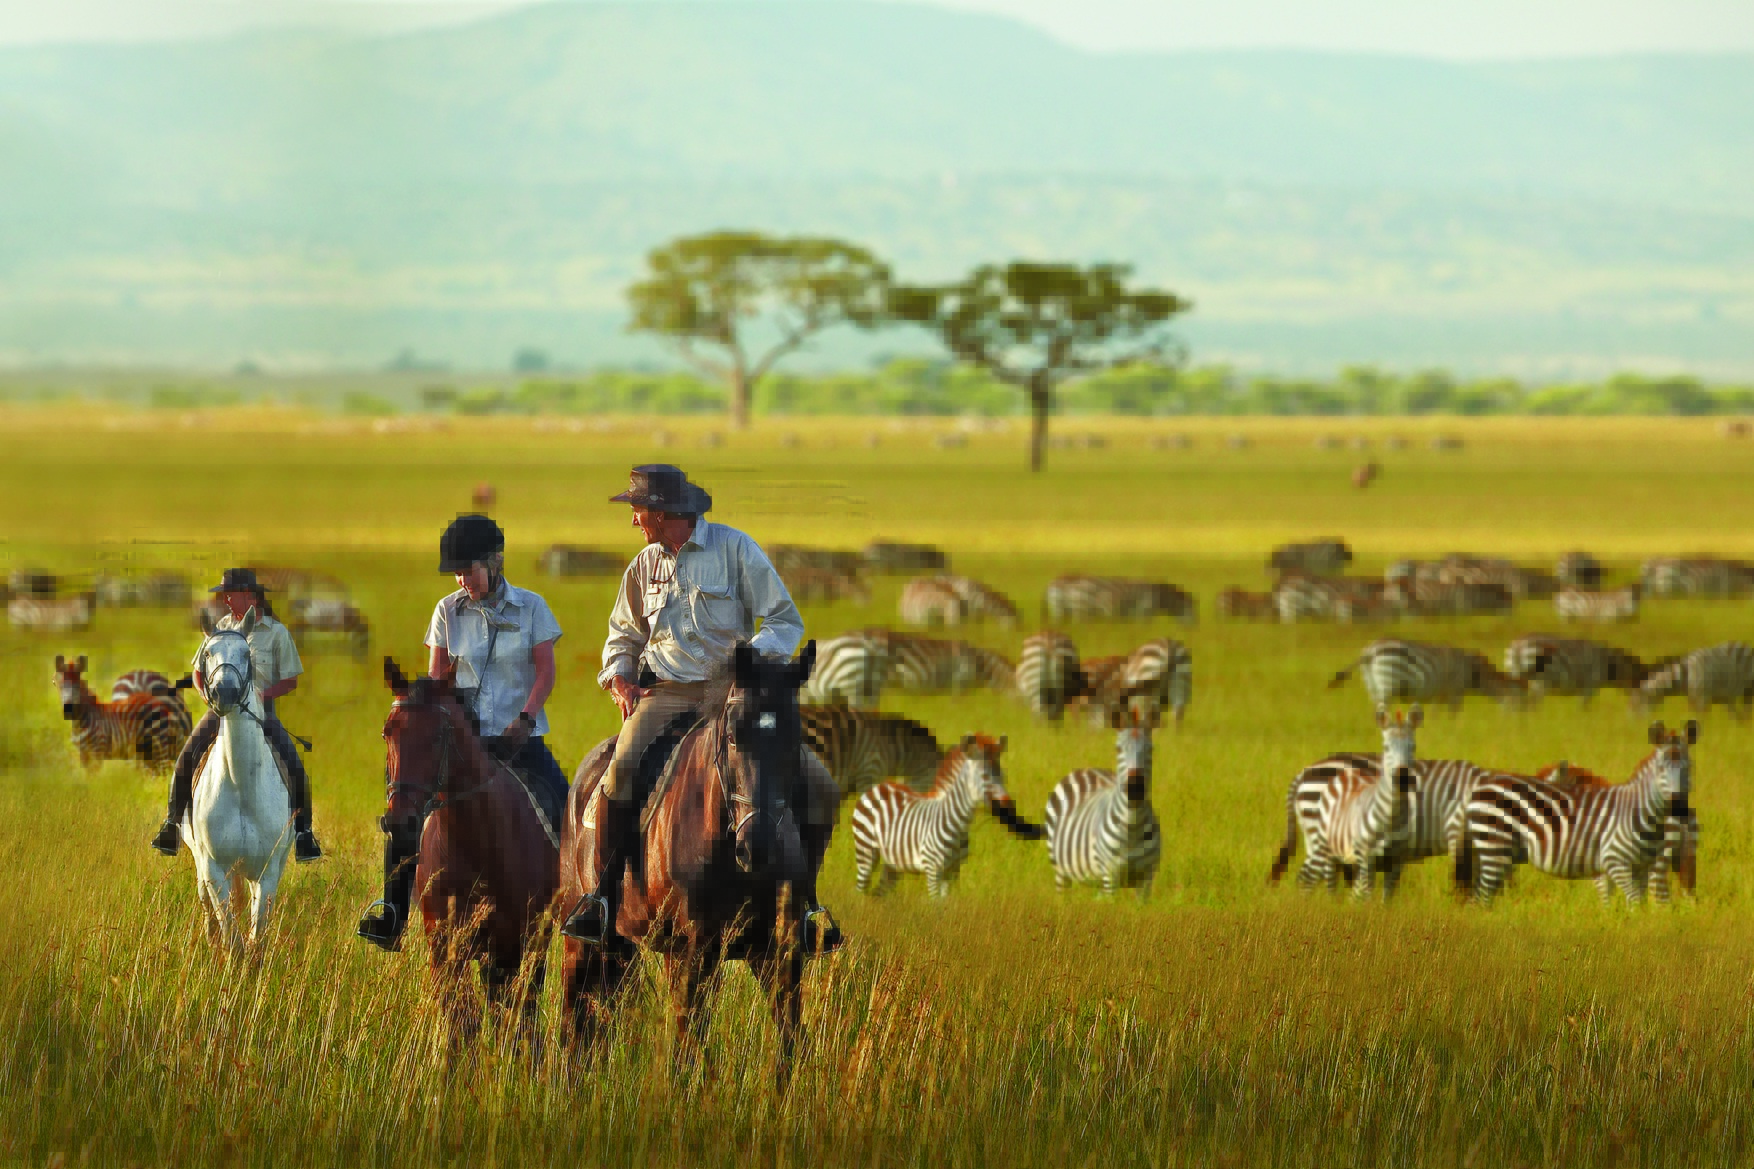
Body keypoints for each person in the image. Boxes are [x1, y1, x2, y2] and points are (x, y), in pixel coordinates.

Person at [562, 464, 843, 952]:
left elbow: (784, 619)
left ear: (665, 512)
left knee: (818, 783)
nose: (633, 521)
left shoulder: (736, 549)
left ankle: (806, 905)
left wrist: (750, 664)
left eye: (638, 509)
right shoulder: (643, 565)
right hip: (667, 692)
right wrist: (620, 678)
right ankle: (601, 901)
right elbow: (622, 635)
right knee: (621, 770)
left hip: (733, 692)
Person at [356, 513, 567, 951]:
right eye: (456, 572)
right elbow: (436, 681)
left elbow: (545, 673)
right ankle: (392, 912)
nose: (461, 579)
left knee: (565, 807)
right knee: (405, 815)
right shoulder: (446, 611)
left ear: (494, 562)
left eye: (467, 570)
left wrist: (526, 719)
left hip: (518, 741)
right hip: (461, 745)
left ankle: (580, 904)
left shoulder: (532, 607)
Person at [151, 567, 322, 862]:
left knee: (295, 766)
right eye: (224, 596)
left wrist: (261, 696)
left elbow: (291, 680)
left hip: (262, 712)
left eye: (230, 595)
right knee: (186, 757)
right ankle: (172, 824)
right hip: (222, 709)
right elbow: (196, 669)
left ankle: (304, 834)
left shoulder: (276, 632)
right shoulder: (222, 626)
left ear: (249, 595)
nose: (226, 600)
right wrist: (205, 693)